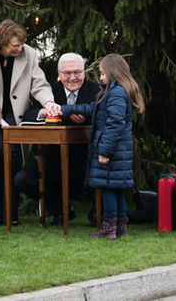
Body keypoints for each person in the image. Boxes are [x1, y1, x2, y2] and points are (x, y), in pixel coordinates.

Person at [0, 19, 57, 226]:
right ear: (2, 43)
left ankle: (10, 214)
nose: (20, 48)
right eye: (15, 46)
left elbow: (39, 84)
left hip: (16, 117)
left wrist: (49, 102)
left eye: (22, 44)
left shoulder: (30, 54)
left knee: (14, 158)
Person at [53, 53, 145, 239]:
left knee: (107, 188)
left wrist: (104, 151)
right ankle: (120, 227)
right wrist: (62, 109)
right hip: (117, 152)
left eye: (103, 74)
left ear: (113, 73)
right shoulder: (111, 92)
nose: (101, 77)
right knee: (116, 188)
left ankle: (109, 229)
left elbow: (115, 124)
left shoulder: (116, 94)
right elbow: (91, 108)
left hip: (112, 152)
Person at [14, 53, 99, 224]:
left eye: (77, 72)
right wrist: (44, 112)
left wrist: (88, 118)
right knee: (22, 179)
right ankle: (62, 210)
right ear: (59, 74)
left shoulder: (96, 91)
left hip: (89, 158)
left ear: (84, 72)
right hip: (55, 158)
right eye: (67, 73)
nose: (72, 78)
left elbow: (108, 117)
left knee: (106, 175)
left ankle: (97, 213)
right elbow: (28, 115)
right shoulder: (50, 92)